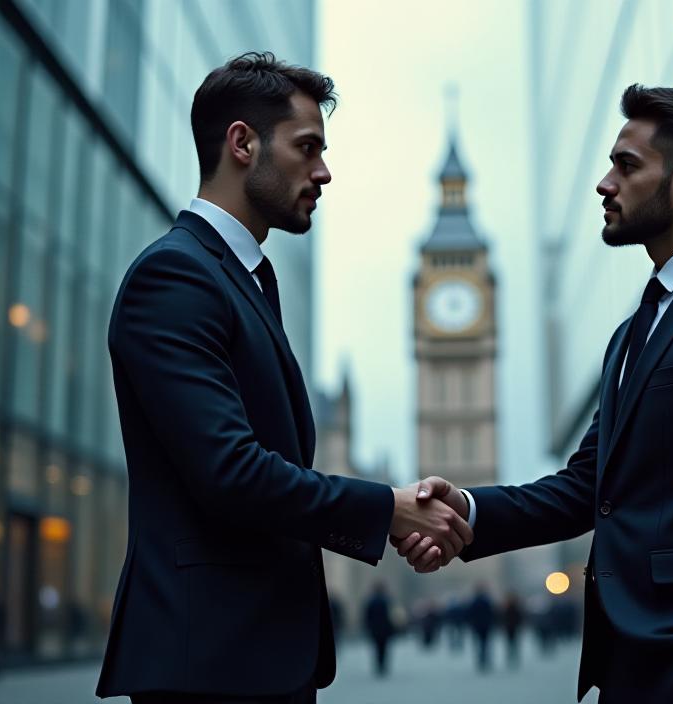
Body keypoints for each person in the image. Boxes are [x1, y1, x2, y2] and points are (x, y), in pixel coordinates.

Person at [398, 85, 673, 703]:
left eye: (626, 165)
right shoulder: (634, 331)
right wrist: (466, 509)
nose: (604, 183)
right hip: (628, 664)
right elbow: (587, 486)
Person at [93, 52, 472, 704]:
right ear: (242, 143)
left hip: (256, 658)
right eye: (307, 148)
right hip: (210, 664)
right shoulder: (176, 276)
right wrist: (388, 508)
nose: (324, 172)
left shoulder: (242, 280)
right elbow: (231, 472)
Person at [363, 583, 394, 678]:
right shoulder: (387, 600)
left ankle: (378, 665)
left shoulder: (371, 601)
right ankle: (382, 665)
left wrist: (368, 627)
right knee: (384, 648)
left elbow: (367, 616)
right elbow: (392, 615)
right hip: (385, 629)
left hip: (375, 629)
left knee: (376, 647)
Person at [469, 585, 495, 673]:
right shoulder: (487, 601)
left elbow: (471, 614)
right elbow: (492, 613)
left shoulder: (474, 601)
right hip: (486, 625)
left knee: (480, 643)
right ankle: (485, 658)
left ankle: (481, 659)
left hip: (478, 625)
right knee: (485, 643)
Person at [501, 592, 524, 668]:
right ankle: (511, 656)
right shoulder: (507, 608)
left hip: (513, 627)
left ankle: (513, 656)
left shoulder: (511, 608)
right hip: (509, 627)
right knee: (511, 642)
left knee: (513, 642)